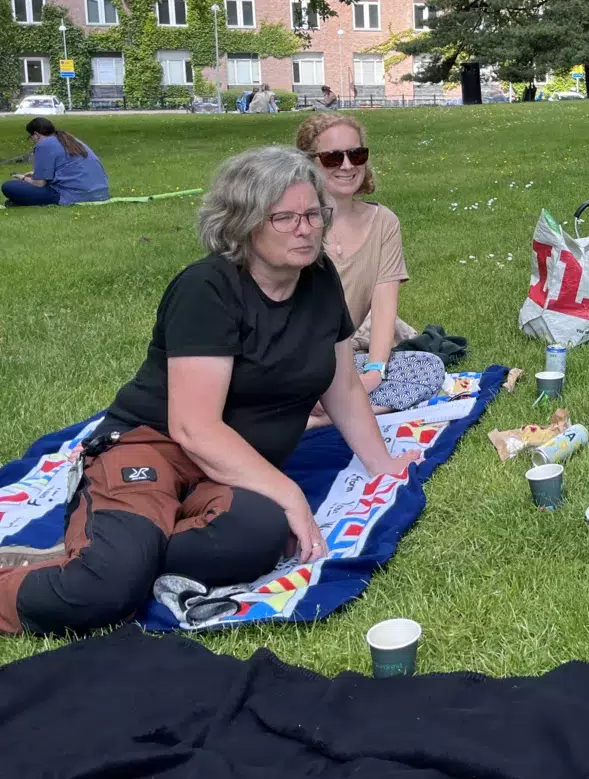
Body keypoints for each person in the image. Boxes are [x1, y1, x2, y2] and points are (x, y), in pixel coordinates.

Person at [0, 147, 421, 635]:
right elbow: (192, 427)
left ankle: (112, 545)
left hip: (233, 464)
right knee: (104, 592)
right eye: (284, 217)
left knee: (260, 538)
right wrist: (288, 492)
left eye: (313, 214)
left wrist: (382, 465)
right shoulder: (209, 289)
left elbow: (343, 385)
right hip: (156, 443)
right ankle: (99, 560)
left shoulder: (320, 278)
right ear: (242, 223)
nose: (306, 229)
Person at [295, 112, 441, 420]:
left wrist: (375, 371)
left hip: (341, 362)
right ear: (308, 163)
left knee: (428, 368)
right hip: (291, 363)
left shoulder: (383, 222)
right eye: (333, 157)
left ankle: (320, 419)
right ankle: (335, 414)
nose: (348, 165)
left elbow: (384, 305)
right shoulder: (295, 225)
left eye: (356, 154)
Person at [2, 117, 110, 207]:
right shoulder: (71, 140)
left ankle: (22, 201)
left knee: (9, 186)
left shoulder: (43, 145)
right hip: (101, 192)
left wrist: (24, 178)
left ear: (36, 134)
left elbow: (39, 184)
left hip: (74, 195)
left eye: (31, 138)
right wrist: (35, 173)